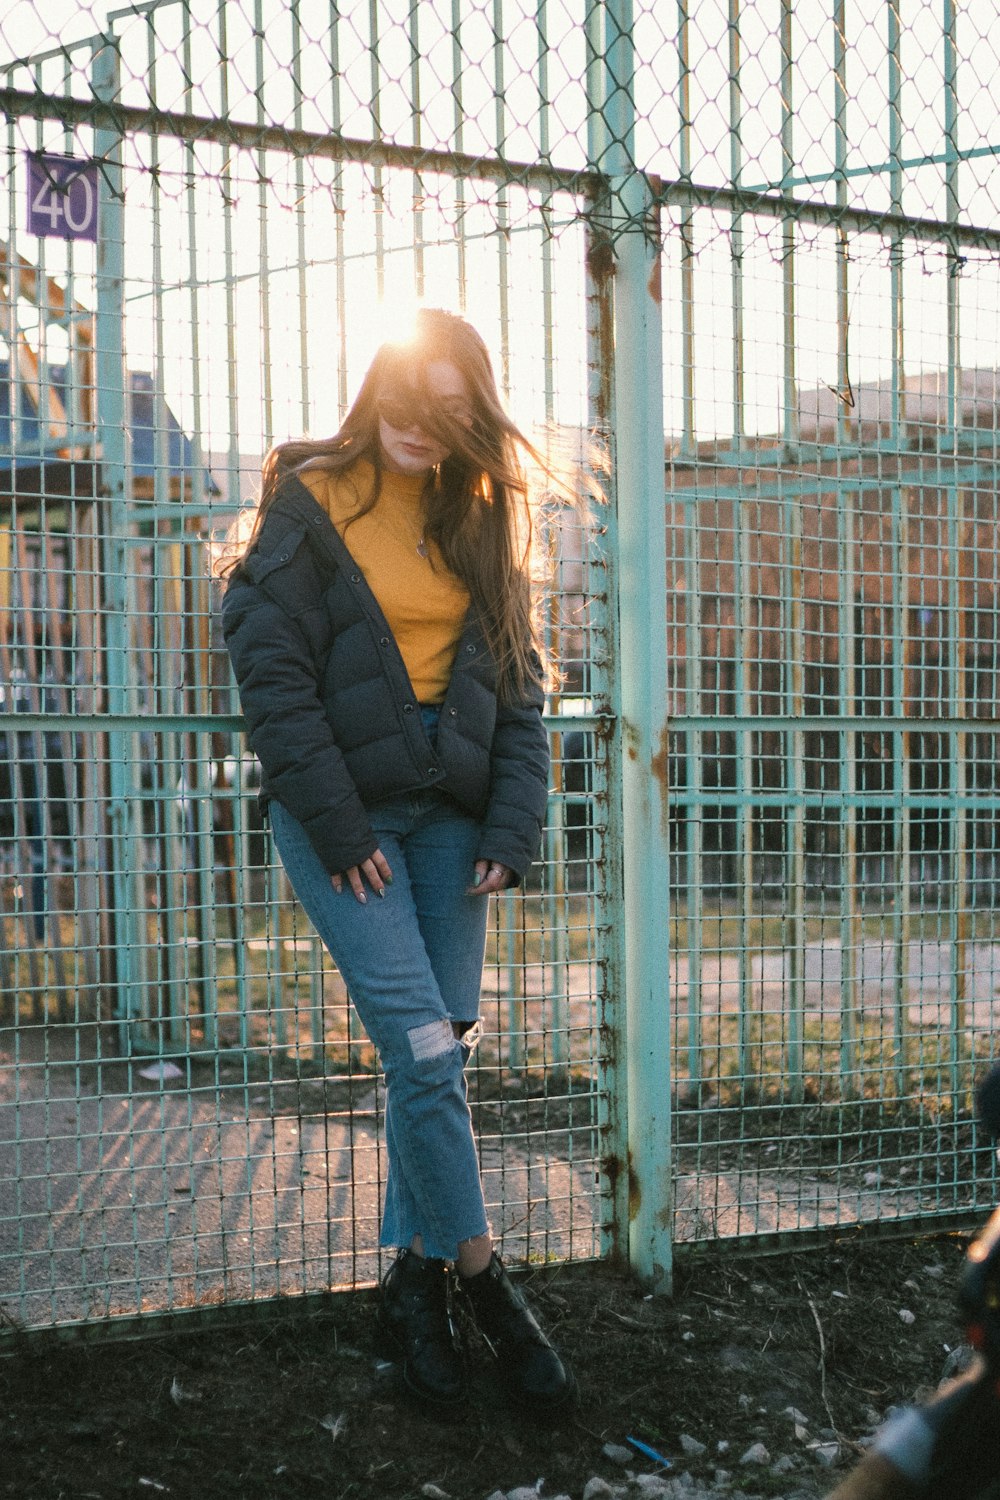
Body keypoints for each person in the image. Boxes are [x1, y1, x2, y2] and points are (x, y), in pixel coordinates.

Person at [219, 307, 572, 1411]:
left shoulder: (479, 520)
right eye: (408, 400)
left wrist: (511, 834)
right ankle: (487, 1287)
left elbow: (520, 689)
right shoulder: (308, 500)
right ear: (376, 390)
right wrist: (341, 827)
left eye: (449, 409)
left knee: (435, 1063)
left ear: (473, 416)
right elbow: (270, 679)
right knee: (423, 1053)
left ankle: (409, 1297)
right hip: (348, 828)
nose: (422, 427)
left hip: (455, 833)